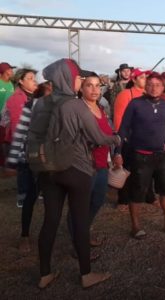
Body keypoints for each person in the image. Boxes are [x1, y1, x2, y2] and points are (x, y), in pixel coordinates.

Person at [37, 58, 120, 289]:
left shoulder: (41, 103)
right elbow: (98, 137)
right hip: (76, 169)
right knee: (81, 221)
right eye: (79, 77)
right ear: (67, 78)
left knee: (50, 221)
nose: (81, 81)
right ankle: (86, 275)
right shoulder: (75, 105)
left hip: (48, 170)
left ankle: (44, 274)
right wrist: (117, 138)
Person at [118, 72, 165, 239]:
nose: (153, 87)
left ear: (163, 88)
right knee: (137, 193)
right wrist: (117, 152)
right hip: (140, 157)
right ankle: (135, 226)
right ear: (145, 86)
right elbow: (123, 129)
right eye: (150, 84)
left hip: (161, 156)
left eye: (157, 85)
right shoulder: (135, 104)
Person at [67, 74, 122, 256]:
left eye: (97, 85)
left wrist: (115, 153)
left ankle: (83, 232)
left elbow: (109, 132)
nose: (94, 90)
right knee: (79, 206)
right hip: (83, 166)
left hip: (101, 165)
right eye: (89, 85)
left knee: (97, 201)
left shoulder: (101, 109)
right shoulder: (77, 109)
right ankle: (78, 242)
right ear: (81, 89)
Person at [5, 69, 39, 252]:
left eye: (35, 79)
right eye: (30, 79)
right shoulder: (19, 100)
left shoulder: (36, 100)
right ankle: (24, 235)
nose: (35, 82)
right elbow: (20, 131)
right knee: (29, 196)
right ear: (20, 82)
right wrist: (12, 161)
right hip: (27, 156)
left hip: (42, 157)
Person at [113, 68, 149, 211]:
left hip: (144, 139)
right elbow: (118, 118)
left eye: (145, 77)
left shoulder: (147, 95)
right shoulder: (125, 94)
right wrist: (121, 138)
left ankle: (146, 196)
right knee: (126, 170)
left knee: (143, 170)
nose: (145, 80)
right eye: (142, 77)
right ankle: (123, 199)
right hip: (128, 139)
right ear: (134, 79)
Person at [0, 62, 16, 167]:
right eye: (10, 69)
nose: (12, 71)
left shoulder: (10, 84)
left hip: (8, 117)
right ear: (4, 71)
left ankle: (6, 164)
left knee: (6, 140)